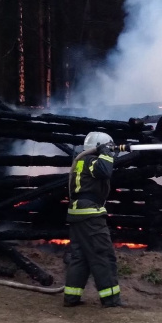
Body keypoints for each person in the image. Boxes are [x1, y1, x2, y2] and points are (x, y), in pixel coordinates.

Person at [63, 132, 123, 308]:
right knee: (103, 255)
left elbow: (105, 166)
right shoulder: (91, 161)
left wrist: (110, 153)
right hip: (90, 216)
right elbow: (104, 171)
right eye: (108, 146)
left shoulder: (82, 161)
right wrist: (106, 152)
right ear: (100, 146)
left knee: (80, 257)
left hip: (78, 214)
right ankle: (111, 299)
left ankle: (71, 297)